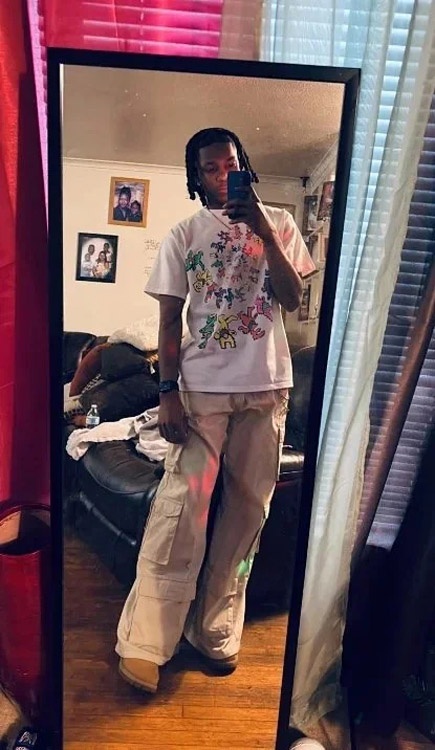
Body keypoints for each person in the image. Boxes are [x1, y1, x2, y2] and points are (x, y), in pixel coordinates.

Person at [115, 127, 316, 694]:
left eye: (231, 163)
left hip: (267, 389)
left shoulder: (280, 223)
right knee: (182, 510)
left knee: (248, 514)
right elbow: (168, 322)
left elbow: (292, 298)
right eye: (210, 168)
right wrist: (167, 392)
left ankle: (215, 629)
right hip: (202, 392)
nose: (223, 175)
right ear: (196, 177)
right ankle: (146, 642)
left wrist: (263, 231)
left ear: (244, 164)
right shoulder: (184, 234)